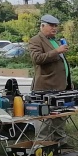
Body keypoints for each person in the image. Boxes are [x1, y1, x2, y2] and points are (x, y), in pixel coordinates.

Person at [28, 14, 72, 144]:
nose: (54, 28)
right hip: (45, 87)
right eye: (51, 25)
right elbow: (37, 59)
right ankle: (43, 145)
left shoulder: (55, 40)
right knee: (45, 118)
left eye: (56, 26)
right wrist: (57, 51)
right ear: (42, 26)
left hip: (60, 86)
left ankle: (60, 142)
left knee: (59, 116)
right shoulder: (35, 40)